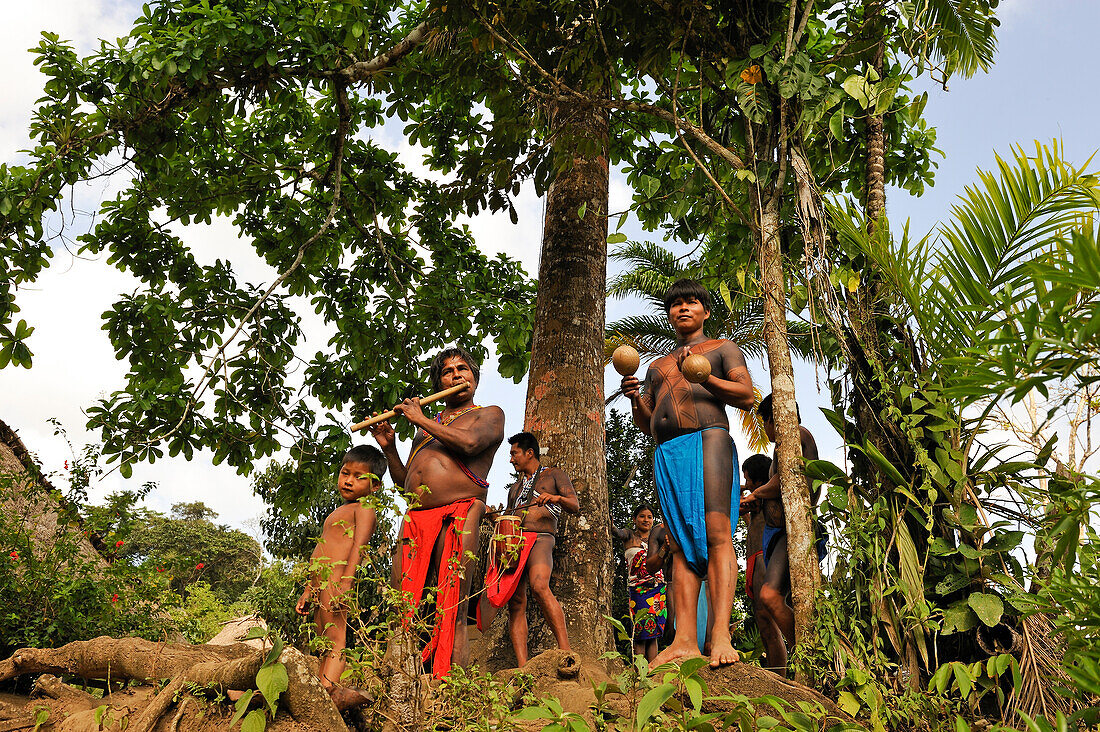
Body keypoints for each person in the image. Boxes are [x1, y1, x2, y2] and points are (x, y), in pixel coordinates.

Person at [621, 279, 755, 667]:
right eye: (675, 304)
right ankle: (683, 640)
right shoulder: (657, 365)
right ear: (669, 313)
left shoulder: (722, 349)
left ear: (705, 311)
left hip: (708, 440)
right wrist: (634, 397)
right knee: (677, 544)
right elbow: (646, 424)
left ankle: (720, 635)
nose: (683, 309)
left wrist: (704, 377)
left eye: (691, 302)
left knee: (717, 536)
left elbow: (746, 396)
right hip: (667, 451)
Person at [369, 347, 504, 678]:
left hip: (459, 511)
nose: (456, 375)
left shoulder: (490, 414)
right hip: (417, 516)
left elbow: (471, 444)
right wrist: (389, 448)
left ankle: (450, 693)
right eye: (448, 371)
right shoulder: (427, 426)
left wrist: (420, 418)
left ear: (474, 377)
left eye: (463, 369)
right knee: (403, 606)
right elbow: (407, 485)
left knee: (452, 605)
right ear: (438, 381)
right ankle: (400, 684)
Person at [295, 445, 384, 707]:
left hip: (338, 578)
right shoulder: (340, 510)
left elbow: (360, 545)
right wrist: (309, 589)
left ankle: (326, 691)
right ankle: (324, 686)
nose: (348, 480)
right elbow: (321, 548)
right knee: (322, 636)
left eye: (359, 476)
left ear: (375, 486)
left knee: (335, 638)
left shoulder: (364, 508)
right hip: (321, 580)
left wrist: (347, 580)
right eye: (345, 473)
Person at [739, 394, 819, 669]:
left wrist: (754, 495)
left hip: (792, 533)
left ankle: (811, 654)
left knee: (770, 596)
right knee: (779, 601)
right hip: (778, 536)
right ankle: (806, 657)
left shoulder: (798, 434)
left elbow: (786, 479)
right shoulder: (782, 447)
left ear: (775, 417)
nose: (767, 430)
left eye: (765, 422)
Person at [488, 431, 580, 667]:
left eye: (514, 453)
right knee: (516, 602)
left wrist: (555, 498)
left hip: (540, 539)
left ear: (530, 453)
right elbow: (510, 517)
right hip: (515, 543)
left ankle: (566, 653)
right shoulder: (515, 488)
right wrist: (495, 517)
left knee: (540, 586)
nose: (511, 459)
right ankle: (522, 667)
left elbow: (574, 505)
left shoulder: (553, 475)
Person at [611, 504, 667, 662]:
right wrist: (612, 525)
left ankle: (653, 673)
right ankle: (639, 674)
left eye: (649, 517)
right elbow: (617, 532)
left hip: (658, 589)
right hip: (638, 591)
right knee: (640, 633)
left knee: (653, 634)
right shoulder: (629, 535)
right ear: (634, 519)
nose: (646, 520)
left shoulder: (657, 538)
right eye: (642, 516)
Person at [738, 453, 775, 660]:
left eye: (748, 479)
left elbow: (733, 502)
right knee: (762, 621)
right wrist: (745, 489)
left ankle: (778, 673)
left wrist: (746, 490)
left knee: (767, 621)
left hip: (762, 558)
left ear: (759, 481)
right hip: (754, 559)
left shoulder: (762, 496)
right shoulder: (756, 500)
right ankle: (775, 671)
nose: (745, 484)